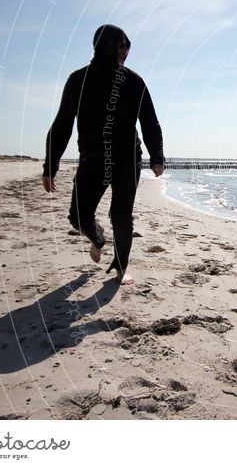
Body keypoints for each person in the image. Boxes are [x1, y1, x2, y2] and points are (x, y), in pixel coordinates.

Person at [42, 24, 165, 285]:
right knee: (78, 217)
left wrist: (157, 155)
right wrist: (50, 165)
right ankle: (98, 239)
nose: (125, 51)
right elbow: (62, 123)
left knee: (121, 216)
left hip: (126, 159)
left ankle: (121, 267)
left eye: (127, 46)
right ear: (104, 46)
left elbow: (150, 121)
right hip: (91, 159)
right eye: (121, 45)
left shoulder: (133, 81)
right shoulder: (79, 80)